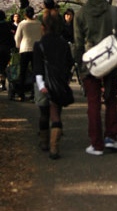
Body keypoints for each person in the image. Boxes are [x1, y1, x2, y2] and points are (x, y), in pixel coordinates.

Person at [74, 0, 117, 156]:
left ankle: (96, 144)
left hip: (90, 63)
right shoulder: (113, 12)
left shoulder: (80, 14)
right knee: (111, 99)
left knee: (93, 102)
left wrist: (79, 66)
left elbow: (78, 44)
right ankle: (111, 138)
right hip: (111, 60)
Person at [33, 12, 74, 159]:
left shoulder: (39, 45)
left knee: (44, 114)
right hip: (59, 83)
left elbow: (37, 68)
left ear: (43, 27)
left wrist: (41, 84)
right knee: (56, 114)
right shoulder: (64, 44)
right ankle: (54, 147)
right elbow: (69, 63)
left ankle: (44, 142)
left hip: (43, 83)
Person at [15, 6, 42, 101]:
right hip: (37, 50)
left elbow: (17, 37)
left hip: (25, 49)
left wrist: (18, 46)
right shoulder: (39, 23)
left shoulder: (22, 24)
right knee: (36, 72)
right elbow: (42, 36)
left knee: (23, 72)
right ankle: (34, 94)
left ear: (25, 14)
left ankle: (20, 94)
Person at [0, 9, 15, 91]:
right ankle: (9, 82)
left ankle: (1, 84)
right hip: (8, 48)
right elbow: (15, 29)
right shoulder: (8, 24)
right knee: (6, 65)